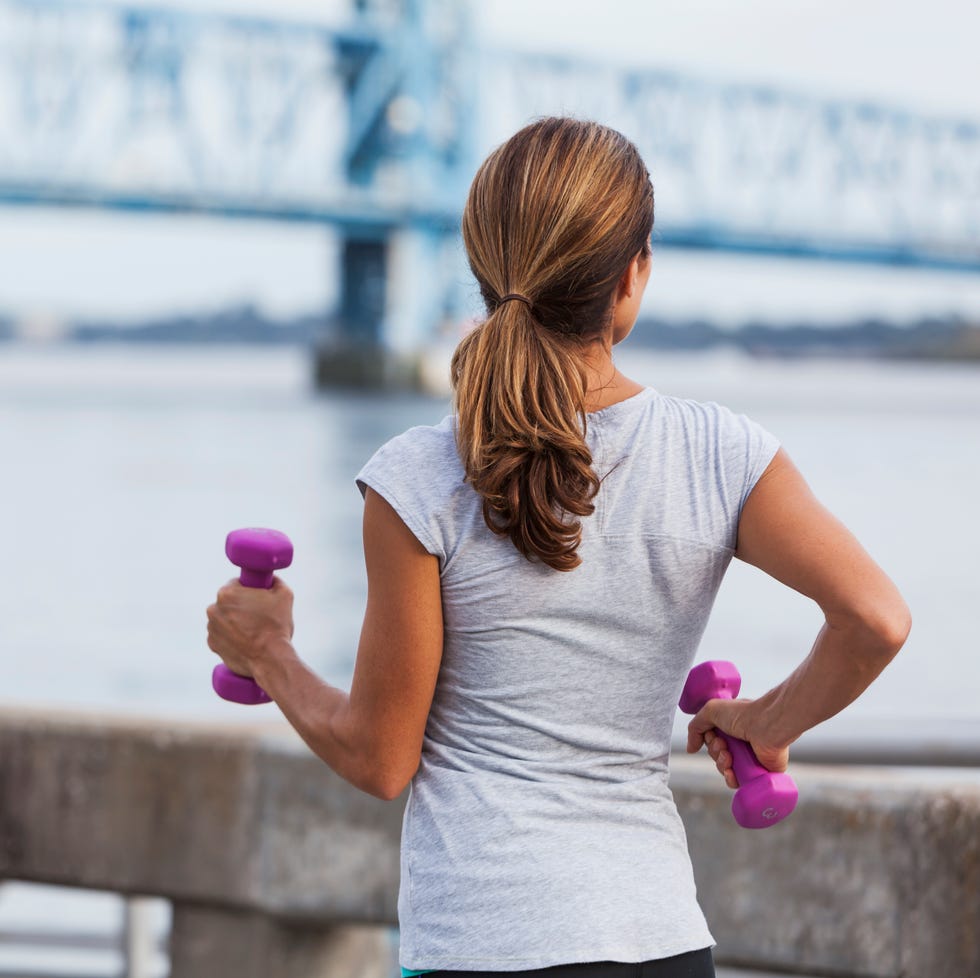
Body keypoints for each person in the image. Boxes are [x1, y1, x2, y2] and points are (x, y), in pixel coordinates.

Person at [206, 117, 911, 978]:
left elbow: (379, 758)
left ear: (482, 269)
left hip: (481, 944)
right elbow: (874, 620)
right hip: (658, 941)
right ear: (631, 278)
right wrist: (769, 722)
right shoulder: (724, 455)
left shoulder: (418, 478)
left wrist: (268, 652)